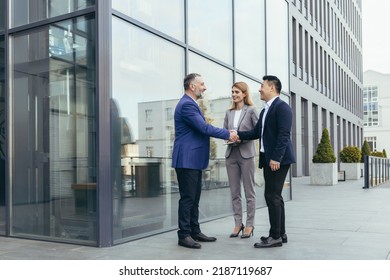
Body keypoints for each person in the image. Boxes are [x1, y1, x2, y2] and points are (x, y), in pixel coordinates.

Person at [172, 73, 238, 249]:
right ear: (192, 86)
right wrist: (227, 134)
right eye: (202, 84)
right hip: (187, 160)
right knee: (187, 199)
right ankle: (184, 235)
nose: (205, 87)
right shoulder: (186, 105)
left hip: (193, 160)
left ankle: (194, 231)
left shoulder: (191, 104)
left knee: (194, 199)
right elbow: (203, 128)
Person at [236, 75, 295, 248]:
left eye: (262, 86)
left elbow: (284, 135)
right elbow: (256, 133)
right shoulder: (265, 109)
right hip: (269, 159)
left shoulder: (282, 107)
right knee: (276, 197)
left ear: (271, 87)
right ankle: (280, 234)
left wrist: (276, 157)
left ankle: (274, 236)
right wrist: (237, 134)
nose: (260, 89)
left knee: (271, 196)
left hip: (278, 160)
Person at [223, 82, 258, 238]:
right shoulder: (228, 112)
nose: (234, 94)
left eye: (237, 92)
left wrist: (240, 138)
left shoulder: (251, 111)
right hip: (231, 154)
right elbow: (224, 132)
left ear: (244, 94)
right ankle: (238, 223)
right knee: (234, 192)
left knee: (249, 192)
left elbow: (257, 132)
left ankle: (249, 224)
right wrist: (228, 138)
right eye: (232, 92)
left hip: (246, 155)